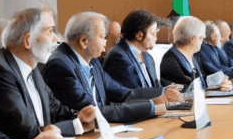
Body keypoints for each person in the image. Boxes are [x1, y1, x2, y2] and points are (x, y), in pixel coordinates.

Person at [0, 8, 99, 139]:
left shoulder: (31, 66)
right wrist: (77, 125)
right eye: (50, 31)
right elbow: (28, 132)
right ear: (28, 41)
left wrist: (82, 117)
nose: (57, 39)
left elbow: (56, 110)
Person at [42, 11, 181, 124]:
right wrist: (150, 106)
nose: (106, 42)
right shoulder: (60, 66)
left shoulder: (93, 61)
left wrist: (161, 92)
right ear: (84, 41)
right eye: (102, 36)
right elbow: (93, 111)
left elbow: (123, 93)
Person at [160, 17, 233, 92]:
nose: (203, 42)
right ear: (193, 39)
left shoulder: (193, 57)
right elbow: (188, 88)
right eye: (201, 38)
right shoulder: (170, 60)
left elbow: (201, 80)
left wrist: (220, 83)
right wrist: (215, 85)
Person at [103, 9, 163, 89]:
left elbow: (156, 86)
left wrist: (167, 91)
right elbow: (133, 93)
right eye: (153, 34)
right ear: (139, 35)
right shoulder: (118, 57)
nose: (156, 38)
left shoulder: (148, 57)